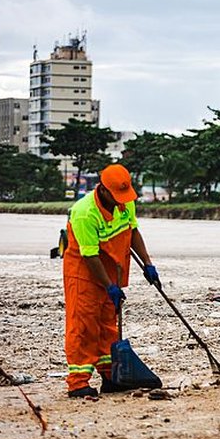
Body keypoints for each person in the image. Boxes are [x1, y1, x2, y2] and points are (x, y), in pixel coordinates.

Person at [62, 164, 159, 398]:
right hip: (84, 273)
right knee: (83, 325)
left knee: (107, 324)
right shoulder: (85, 213)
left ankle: (111, 376)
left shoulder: (125, 202)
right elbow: (89, 255)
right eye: (117, 197)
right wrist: (109, 287)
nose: (121, 202)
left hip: (111, 271)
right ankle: (78, 382)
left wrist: (148, 264)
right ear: (104, 190)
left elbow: (133, 232)